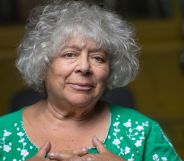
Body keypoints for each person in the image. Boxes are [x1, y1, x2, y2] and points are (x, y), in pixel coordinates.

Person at [0, 1, 182, 161]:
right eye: (69, 54)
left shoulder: (143, 132)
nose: (85, 67)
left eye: (98, 58)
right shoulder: (2, 134)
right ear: (42, 66)